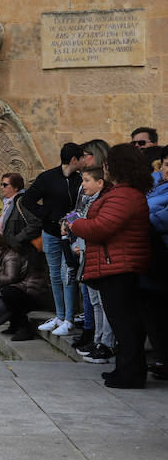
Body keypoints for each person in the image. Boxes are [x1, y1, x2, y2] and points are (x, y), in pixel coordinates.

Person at [69, 143, 151, 389]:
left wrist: (75, 225)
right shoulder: (123, 193)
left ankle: (131, 374)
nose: (104, 167)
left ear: (118, 166)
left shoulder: (124, 195)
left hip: (119, 266)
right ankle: (124, 370)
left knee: (124, 323)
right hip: (116, 263)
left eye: (107, 163)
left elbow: (100, 228)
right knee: (122, 322)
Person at [22, 143, 84, 337]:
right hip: (50, 232)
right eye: (81, 158)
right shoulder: (47, 177)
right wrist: (46, 215)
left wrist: (71, 221)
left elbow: (81, 206)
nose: (83, 161)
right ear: (74, 160)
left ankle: (69, 319)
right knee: (55, 275)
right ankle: (59, 315)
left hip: (72, 234)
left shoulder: (79, 180)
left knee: (68, 274)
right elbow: (27, 200)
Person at [68, 167, 113, 363]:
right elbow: (77, 217)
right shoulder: (87, 200)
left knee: (103, 303)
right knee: (94, 301)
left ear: (100, 182)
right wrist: (67, 223)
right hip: (86, 255)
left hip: (97, 256)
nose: (83, 184)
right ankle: (97, 340)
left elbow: (91, 225)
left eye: (87, 180)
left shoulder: (103, 200)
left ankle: (106, 343)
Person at [0, 232, 47, 341]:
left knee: (8, 292)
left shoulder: (10, 256)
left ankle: (25, 328)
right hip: (17, 292)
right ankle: (14, 324)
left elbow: (10, 279)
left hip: (32, 294)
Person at [142, 146, 168, 380]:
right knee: (153, 310)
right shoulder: (155, 184)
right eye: (166, 164)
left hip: (162, 255)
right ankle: (162, 357)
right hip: (151, 256)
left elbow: (155, 219)